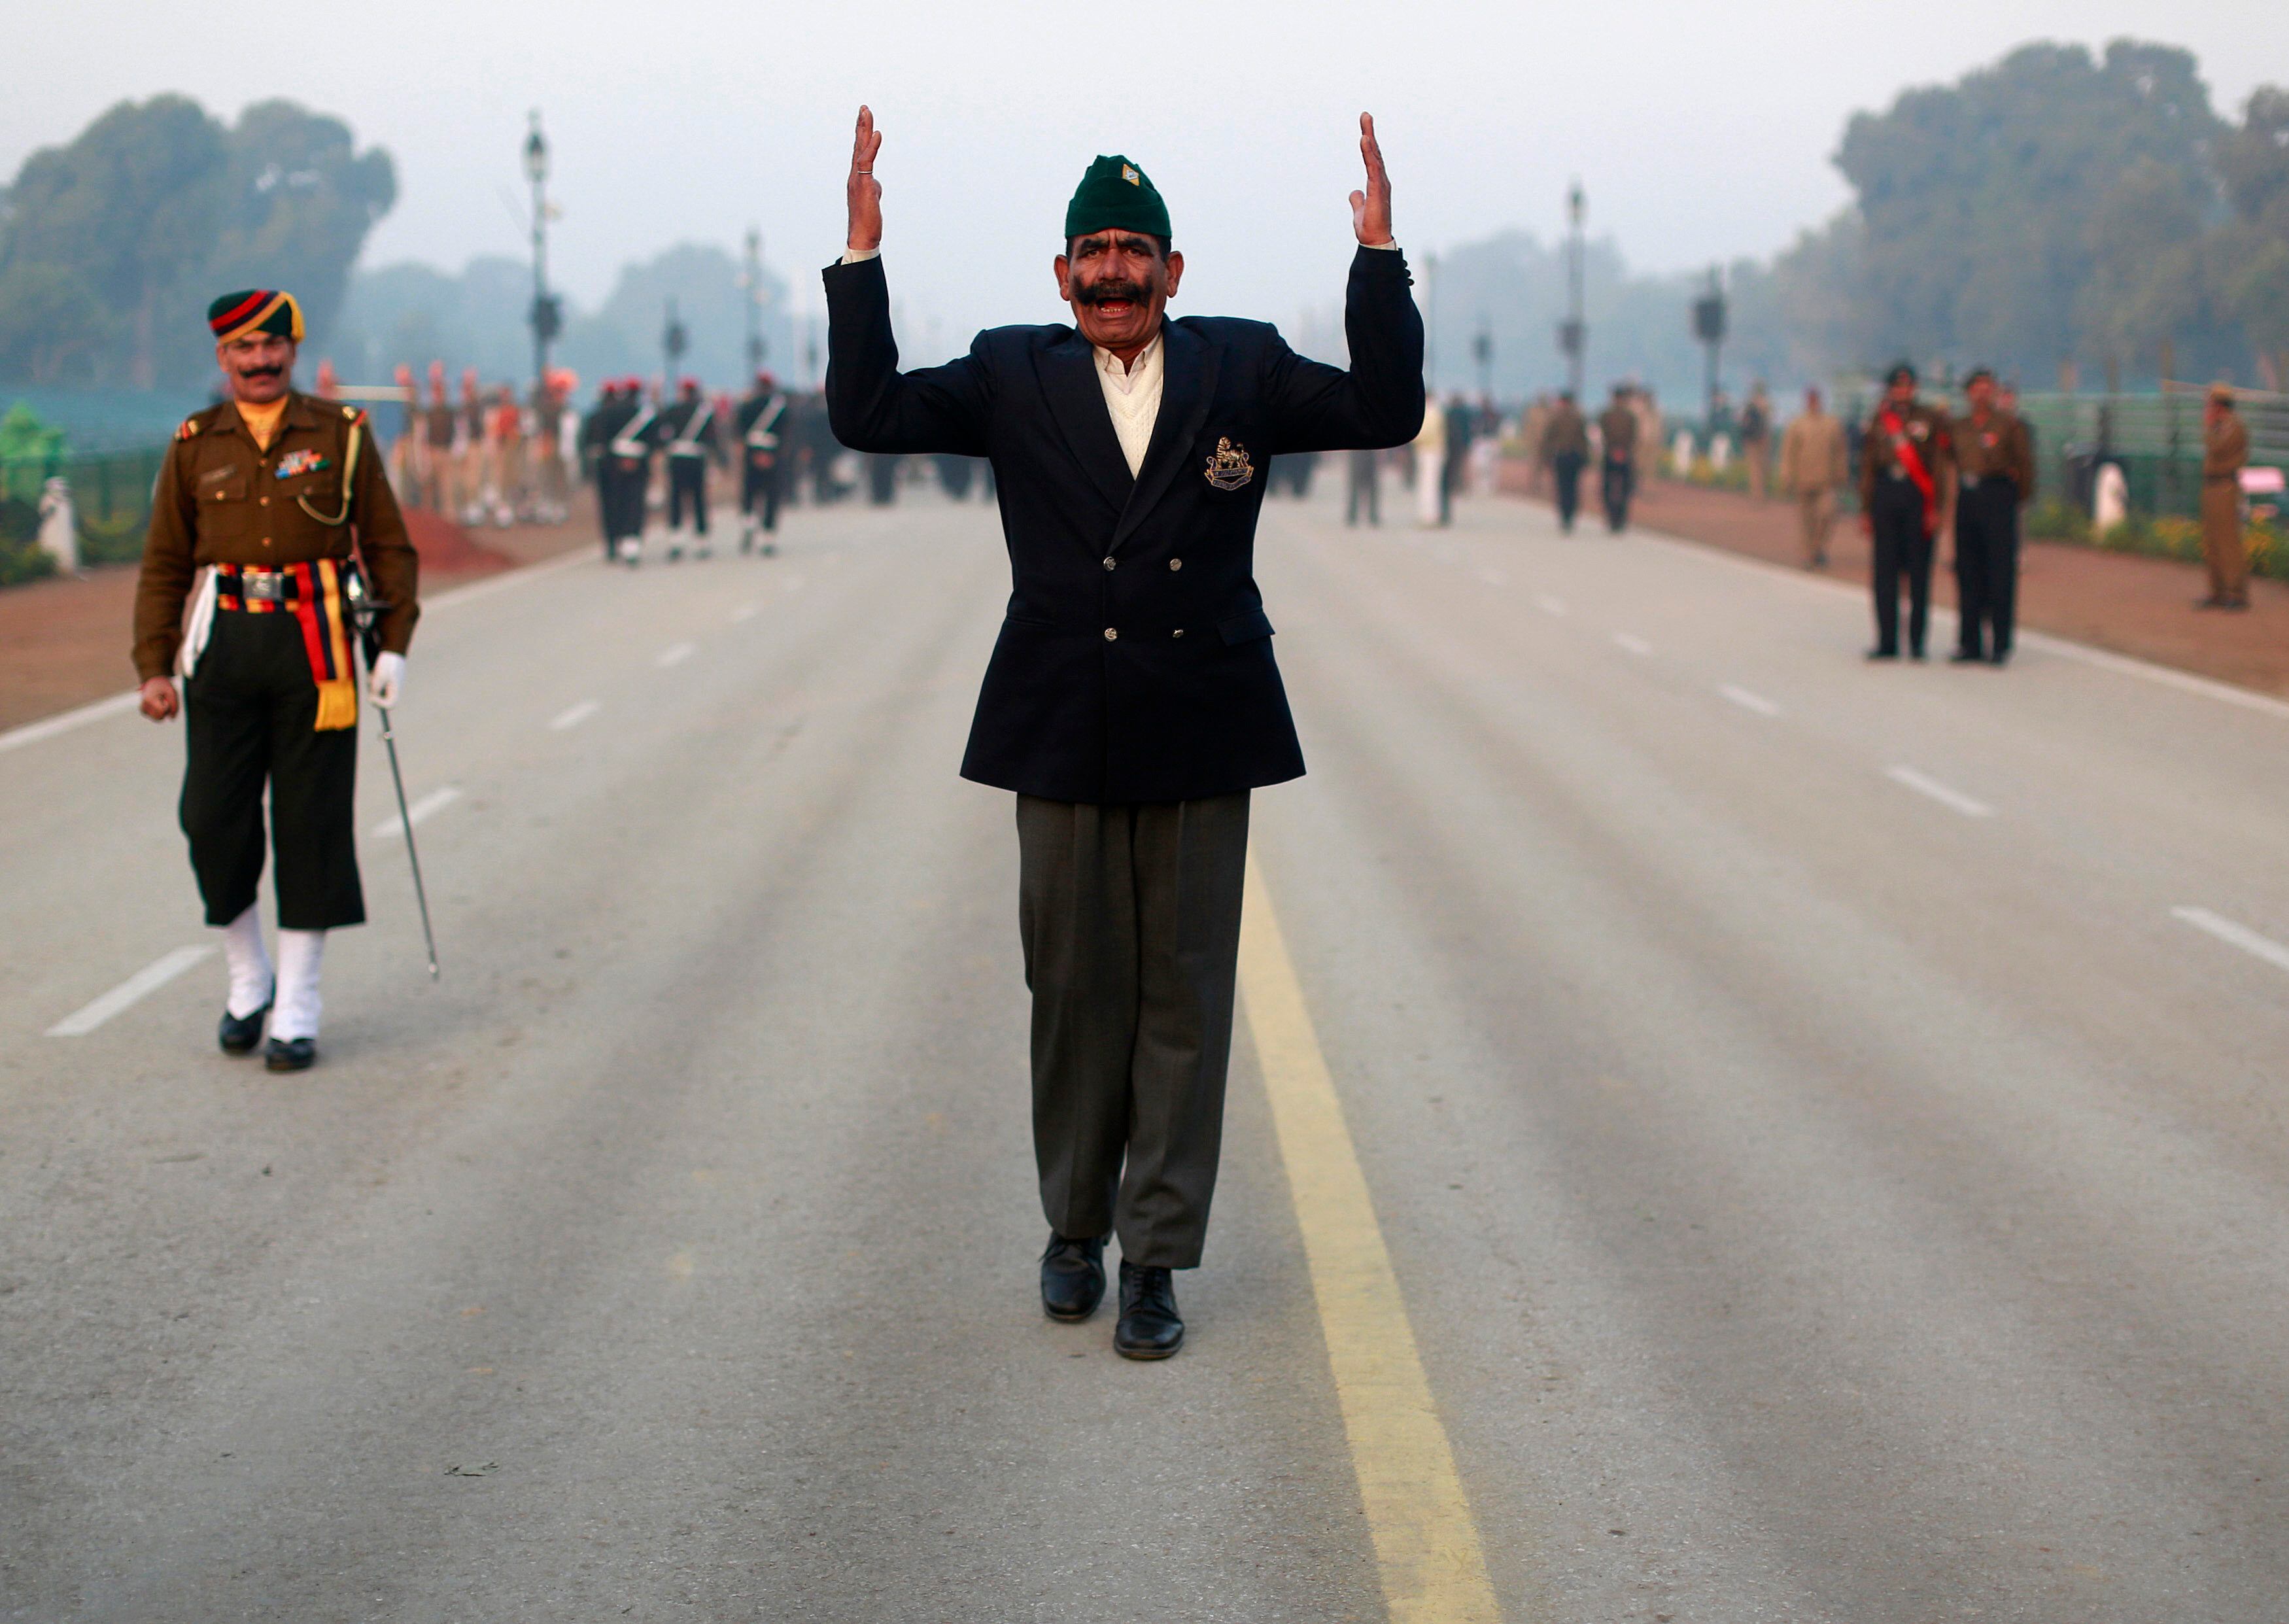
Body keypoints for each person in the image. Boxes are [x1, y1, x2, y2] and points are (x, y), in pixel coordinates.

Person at [824, 108, 1422, 1358]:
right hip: (1061, 722)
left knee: (1185, 998)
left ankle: (1154, 1256)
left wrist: (1377, 259)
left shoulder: (1241, 368)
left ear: (1171, 269)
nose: (1110, 271)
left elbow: (1383, 408)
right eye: (1090, 250)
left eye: (1131, 250)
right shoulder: (1010, 371)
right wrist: (862, 260)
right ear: (1062, 275)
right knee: (1073, 989)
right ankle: (1072, 1226)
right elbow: (868, 413)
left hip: (1204, 719)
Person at [130, 289, 420, 1071]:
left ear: (294, 348)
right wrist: (154, 665)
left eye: (272, 346)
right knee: (211, 818)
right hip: (224, 647)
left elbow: (388, 546)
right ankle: (246, 974)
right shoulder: (194, 443)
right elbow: (164, 562)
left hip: (318, 652)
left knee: (310, 824)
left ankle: (297, 1004)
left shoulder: (342, 434)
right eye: (242, 349)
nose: (260, 361)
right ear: (221, 358)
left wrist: (391, 646)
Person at [1858, 362, 1953, 660]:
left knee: (1919, 575)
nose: (1903, 391)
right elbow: (1868, 467)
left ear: (1914, 389)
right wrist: (1865, 508)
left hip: (1917, 497)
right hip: (1886, 494)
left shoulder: (1930, 418)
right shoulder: (1879, 420)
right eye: (1898, 386)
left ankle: (1917, 643)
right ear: (1890, 389)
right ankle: (1887, 642)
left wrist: (1936, 507)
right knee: (1885, 575)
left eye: (1908, 386)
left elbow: (1938, 465)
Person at [1949, 368, 2035, 664]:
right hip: (1968, 497)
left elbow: (2025, 465)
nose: (1982, 394)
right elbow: (1949, 460)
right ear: (1968, 393)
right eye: (1976, 388)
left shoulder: (2010, 425)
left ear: (1995, 392)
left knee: (2000, 572)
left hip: (1998, 497)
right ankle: (1970, 643)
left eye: (1987, 388)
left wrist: (2015, 499)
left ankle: (1999, 643)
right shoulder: (1958, 426)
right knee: (1968, 570)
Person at [1778, 385, 1847, 569]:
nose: (1813, 403)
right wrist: (1786, 476)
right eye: (1810, 399)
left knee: (1828, 513)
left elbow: (1840, 452)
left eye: (1816, 399)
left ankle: (1819, 547)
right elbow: (1788, 452)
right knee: (1806, 520)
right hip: (1803, 479)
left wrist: (1841, 474)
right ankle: (1809, 553)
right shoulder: (1797, 424)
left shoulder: (1832, 424)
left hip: (1826, 480)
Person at [657, 378, 724, 560]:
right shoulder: (705, 413)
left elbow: (662, 436)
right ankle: (702, 540)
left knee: (676, 499)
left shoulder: (672, 411)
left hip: (677, 459)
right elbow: (713, 439)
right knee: (699, 500)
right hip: (697, 459)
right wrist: (720, 462)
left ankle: (675, 540)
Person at [2199, 384, 2250, 610]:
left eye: (2211, 404)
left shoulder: (2233, 427)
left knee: (2228, 541)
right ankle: (2217, 591)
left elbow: (2218, 448)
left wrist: (2210, 428)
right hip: (2212, 487)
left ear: (2220, 406)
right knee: (2212, 541)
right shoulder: (2220, 426)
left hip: (2225, 487)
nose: (2208, 409)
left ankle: (2236, 592)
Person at [735, 370, 789, 555]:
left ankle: (749, 520)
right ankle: (768, 537)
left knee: (750, 490)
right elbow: (786, 433)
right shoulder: (780, 408)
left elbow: (740, 431)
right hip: (773, 453)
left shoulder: (746, 406)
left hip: (752, 452)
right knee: (771, 495)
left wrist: (754, 452)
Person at [1541, 389, 1589, 532]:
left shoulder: (1555, 418)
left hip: (1561, 456)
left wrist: (1547, 458)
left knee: (1563, 488)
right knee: (1573, 487)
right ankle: (1570, 515)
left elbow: (1548, 440)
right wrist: (1585, 459)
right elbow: (1583, 440)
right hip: (1574, 456)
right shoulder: (1578, 418)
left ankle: (1565, 516)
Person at [1598, 385, 1638, 532]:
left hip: (1610, 452)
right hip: (1625, 453)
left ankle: (1610, 515)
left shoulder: (1606, 415)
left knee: (1608, 486)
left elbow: (1603, 433)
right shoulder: (1630, 417)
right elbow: (1634, 436)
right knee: (1626, 487)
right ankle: (1621, 517)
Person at [1411, 392, 1445, 527]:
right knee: (1429, 485)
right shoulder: (1436, 412)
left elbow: (1425, 433)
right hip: (1431, 452)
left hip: (1430, 452)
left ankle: (1430, 516)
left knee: (1429, 485)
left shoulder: (1432, 413)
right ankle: (1428, 514)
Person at [1738, 383, 1774, 501]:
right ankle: (1760, 493)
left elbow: (1744, 422)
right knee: (1763, 467)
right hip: (1763, 439)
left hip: (1752, 440)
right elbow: (1768, 424)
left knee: (1754, 468)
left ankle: (1756, 493)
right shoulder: (1766, 405)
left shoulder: (1749, 405)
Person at [1345, 446, 1380, 526]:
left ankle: (1353, 514)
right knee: (1367, 486)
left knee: (1357, 486)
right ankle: (1370, 514)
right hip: (1365, 453)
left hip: (1361, 454)